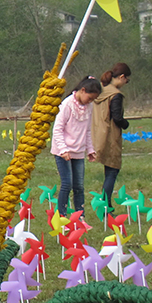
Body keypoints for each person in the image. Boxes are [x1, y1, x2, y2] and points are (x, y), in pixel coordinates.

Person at [51, 76, 101, 218]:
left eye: (92, 100)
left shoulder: (88, 107)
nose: (90, 102)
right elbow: (57, 129)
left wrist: (90, 149)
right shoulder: (67, 105)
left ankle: (80, 216)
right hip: (64, 151)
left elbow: (87, 130)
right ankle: (62, 217)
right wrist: (63, 150)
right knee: (67, 184)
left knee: (79, 186)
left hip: (78, 151)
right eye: (89, 98)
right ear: (82, 90)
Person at [93, 62, 131, 208]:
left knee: (108, 171)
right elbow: (117, 117)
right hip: (111, 137)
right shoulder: (116, 95)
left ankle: (104, 204)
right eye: (127, 80)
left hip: (98, 135)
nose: (126, 83)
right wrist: (126, 124)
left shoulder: (100, 91)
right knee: (112, 171)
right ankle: (106, 205)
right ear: (122, 77)